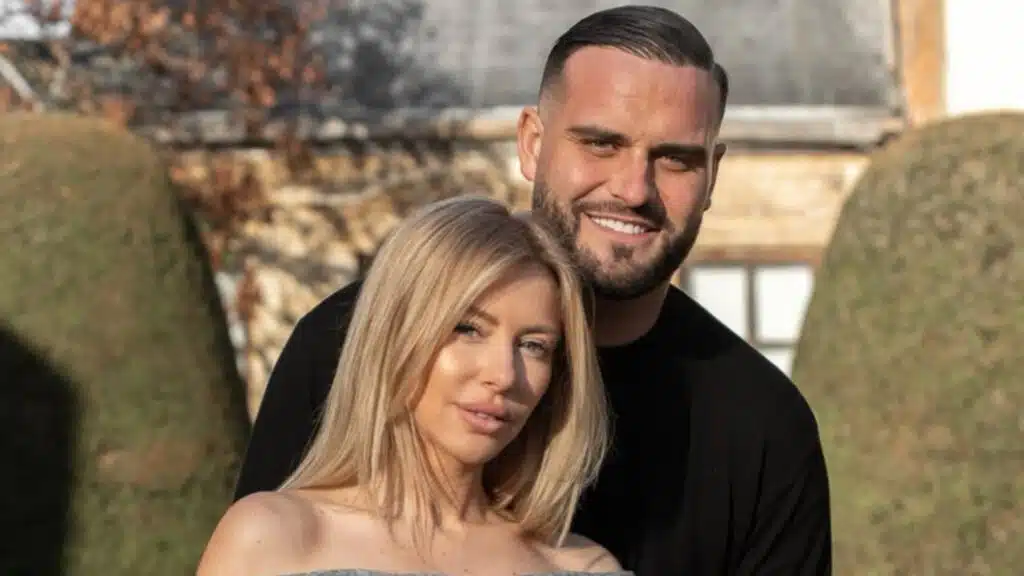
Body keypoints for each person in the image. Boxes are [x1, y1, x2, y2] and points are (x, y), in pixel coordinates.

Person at [233, 5, 833, 575]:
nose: (633, 189)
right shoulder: (348, 343)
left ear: (712, 176)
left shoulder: (761, 428)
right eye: (601, 143)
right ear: (532, 143)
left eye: (675, 160)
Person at [198, 196, 631, 575]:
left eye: (533, 346)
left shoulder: (584, 567)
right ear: (395, 334)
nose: (503, 375)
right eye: (468, 329)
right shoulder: (272, 539)